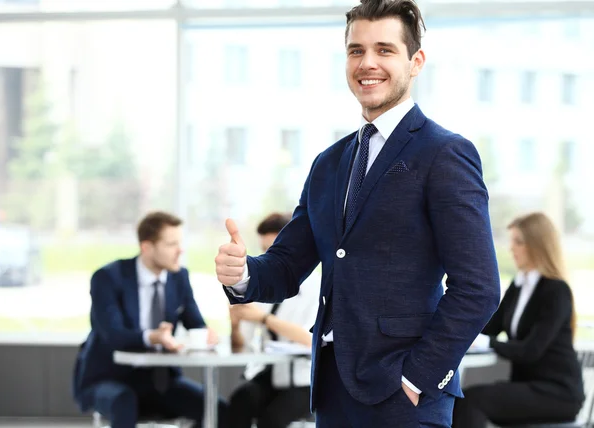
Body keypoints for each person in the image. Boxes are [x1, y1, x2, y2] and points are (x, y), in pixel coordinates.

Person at [215, 0, 501, 426]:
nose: (367, 63)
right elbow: (288, 264)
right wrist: (242, 274)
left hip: (405, 396)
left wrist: (418, 377)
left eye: (384, 50)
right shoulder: (329, 163)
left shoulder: (445, 153)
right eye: (356, 50)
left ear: (415, 60)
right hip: (333, 388)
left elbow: (478, 288)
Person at [72, 211, 228, 428]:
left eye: (180, 243)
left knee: (219, 410)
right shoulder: (108, 278)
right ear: (147, 247)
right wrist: (153, 337)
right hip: (111, 378)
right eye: (171, 244)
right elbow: (112, 335)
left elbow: (195, 324)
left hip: (161, 381)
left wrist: (206, 334)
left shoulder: (179, 277)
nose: (180, 251)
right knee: (124, 402)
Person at [452, 212, 585, 427]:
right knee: (461, 399)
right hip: (528, 386)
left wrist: (488, 343)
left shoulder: (556, 291)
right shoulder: (519, 286)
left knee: (472, 401)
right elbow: (490, 327)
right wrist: (458, 328)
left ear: (538, 245)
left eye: (518, 242)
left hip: (557, 392)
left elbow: (531, 350)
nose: (511, 248)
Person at [228, 212, 320, 428]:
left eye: (273, 250)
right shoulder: (266, 287)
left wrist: (264, 319)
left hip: (305, 381)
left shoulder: (317, 287)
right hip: (273, 375)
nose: (268, 257)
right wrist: (235, 323)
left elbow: (310, 339)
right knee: (241, 400)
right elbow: (242, 344)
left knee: (271, 419)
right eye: (264, 251)